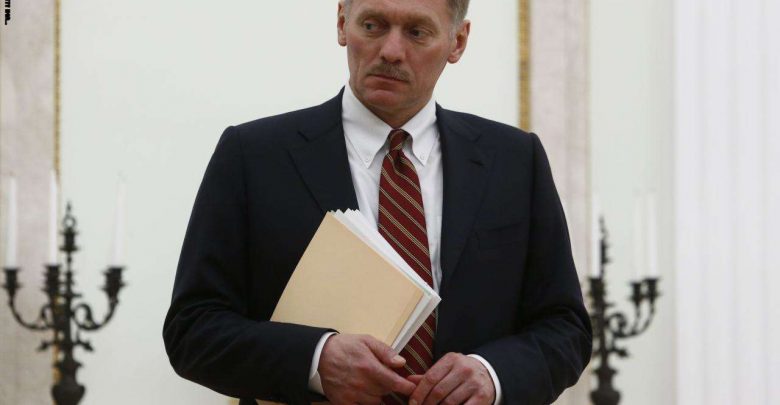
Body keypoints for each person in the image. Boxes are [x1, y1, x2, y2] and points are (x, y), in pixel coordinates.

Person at [162, 0, 592, 404]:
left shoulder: (515, 161)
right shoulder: (253, 156)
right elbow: (192, 328)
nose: (390, 51)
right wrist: (315, 360)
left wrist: (492, 374)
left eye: (417, 32)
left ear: (457, 42)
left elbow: (565, 328)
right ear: (342, 23)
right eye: (373, 25)